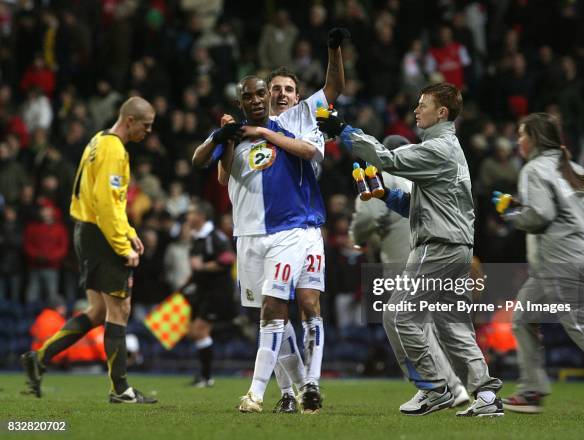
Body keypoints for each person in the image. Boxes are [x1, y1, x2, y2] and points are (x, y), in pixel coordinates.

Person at [317, 82, 503, 416]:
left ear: (441, 112)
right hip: (456, 246)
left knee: (398, 313)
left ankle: (433, 388)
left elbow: (386, 158)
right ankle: (487, 395)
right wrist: (386, 197)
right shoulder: (449, 148)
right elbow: (420, 206)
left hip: (438, 247)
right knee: (452, 325)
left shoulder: (438, 148)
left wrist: (344, 131)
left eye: (422, 105)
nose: (416, 110)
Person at [192, 75, 326, 413]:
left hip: (290, 232)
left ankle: (262, 392)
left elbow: (313, 145)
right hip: (246, 236)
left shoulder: (292, 125)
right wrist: (221, 136)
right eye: (248, 96)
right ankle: (294, 391)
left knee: (278, 308)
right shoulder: (234, 133)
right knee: (268, 315)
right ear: (240, 102)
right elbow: (205, 164)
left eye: (260, 94)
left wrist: (334, 51)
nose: (255, 100)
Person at [21, 97, 157, 404]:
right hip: (100, 235)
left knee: (97, 311)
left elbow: (110, 200)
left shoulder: (98, 140)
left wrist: (129, 232)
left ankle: (39, 359)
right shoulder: (113, 149)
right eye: (146, 126)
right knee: (119, 309)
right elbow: (105, 203)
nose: (148, 133)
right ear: (130, 121)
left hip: (88, 231)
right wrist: (123, 245)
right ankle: (120, 389)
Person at [498, 113, 584, 412]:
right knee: (523, 319)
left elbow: (541, 215)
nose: (517, 140)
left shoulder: (534, 169)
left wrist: (512, 214)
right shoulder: (575, 168)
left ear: (534, 138)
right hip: (570, 259)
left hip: (560, 262)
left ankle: (533, 389)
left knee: (583, 327)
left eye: (521, 135)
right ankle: (532, 390)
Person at [261, 27, 349, 413]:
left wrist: (332, 49)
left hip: (307, 229)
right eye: (275, 88)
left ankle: (311, 384)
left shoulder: (303, 114)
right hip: (265, 233)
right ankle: (286, 392)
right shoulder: (251, 130)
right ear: (266, 94)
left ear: (298, 96)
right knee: (273, 311)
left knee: (309, 304)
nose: (282, 94)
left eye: (288, 89)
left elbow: (335, 85)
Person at [349, 134, 469, 407]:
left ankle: (446, 386)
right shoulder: (424, 172)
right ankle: (454, 383)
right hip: (445, 252)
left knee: (408, 321)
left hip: (404, 258)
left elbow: (368, 216)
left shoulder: (385, 174)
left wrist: (358, 237)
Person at [184, 200, 236, 388]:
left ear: (201, 216)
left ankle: (206, 377)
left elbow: (229, 258)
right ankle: (204, 376)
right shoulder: (197, 237)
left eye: (191, 213)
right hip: (202, 292)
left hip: (217, 293)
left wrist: (204, 267)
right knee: (194, 332)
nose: (188, 216)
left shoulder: (215, 236)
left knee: (200, 330)